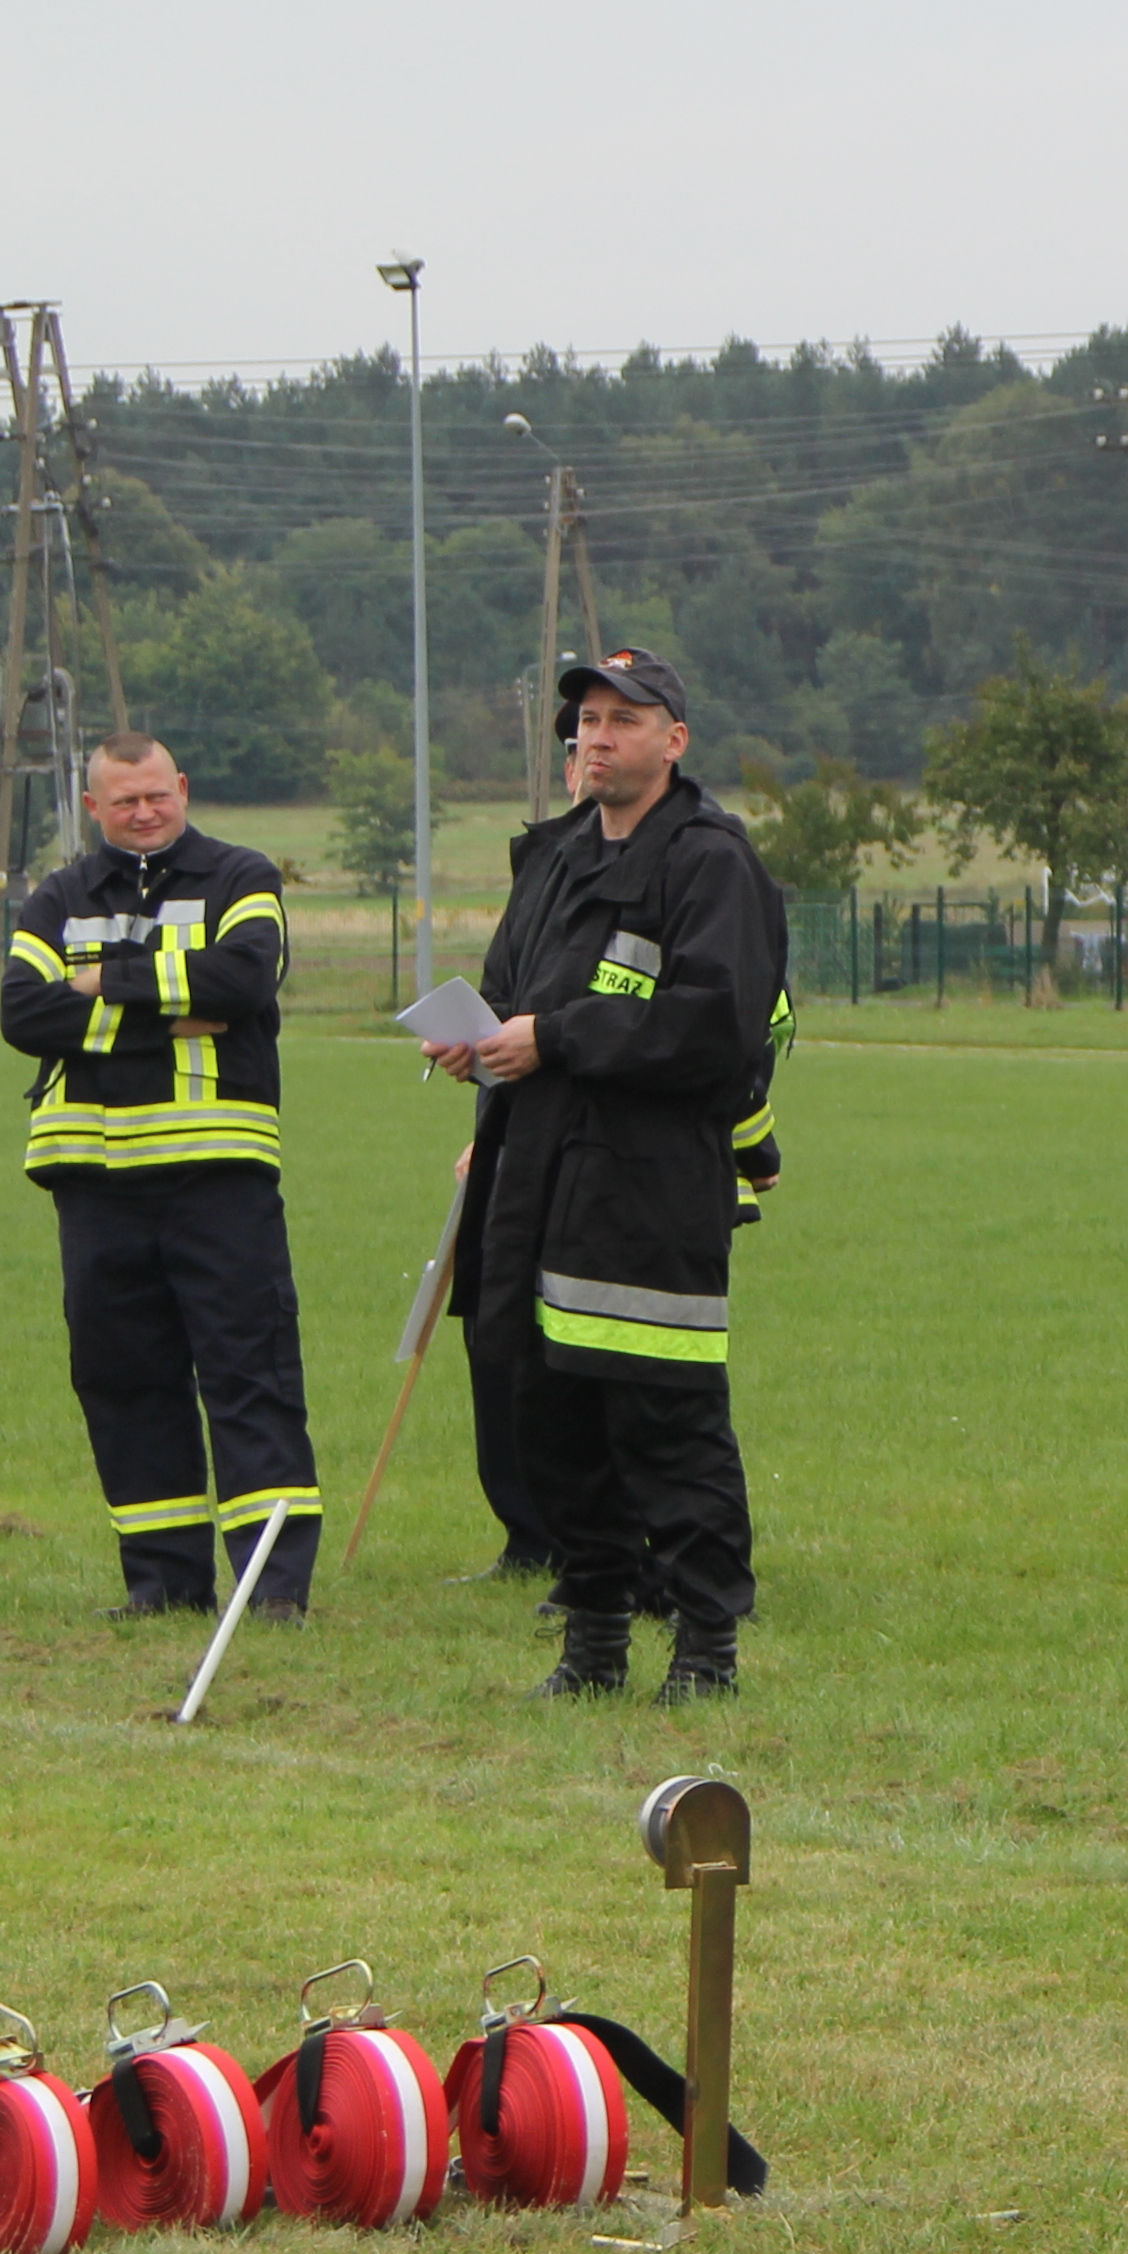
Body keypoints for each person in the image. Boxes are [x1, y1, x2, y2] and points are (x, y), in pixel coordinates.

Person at [427, 650, 787, 1703]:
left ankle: (707, 1653)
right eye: (584, 719)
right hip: (532, 1181)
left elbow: (717, 1028)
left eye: (623, 719)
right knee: (552, 1431)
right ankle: (592, 1649)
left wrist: (560, 1037)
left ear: (674, 741)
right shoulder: (552, 857)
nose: (596, 737)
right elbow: (507, 994)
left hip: (645, 1193)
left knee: (667, 1428)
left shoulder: (713, 863)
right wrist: (476, 1041)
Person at [0, 734, 315, 1616]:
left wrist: (99, 985)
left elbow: (246, 978)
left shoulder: (242, 876)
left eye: (158, 795)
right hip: (92, 1181)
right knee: (122, 1382)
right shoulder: (57, 895)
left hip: (217, 1172)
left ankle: (272, 1589)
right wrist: (164, 1013)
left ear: (183, 786)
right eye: (124, 800)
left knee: (249, 1375)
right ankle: (164, 1587)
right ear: (92, 807)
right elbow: (24, 1013)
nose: (145, 812)